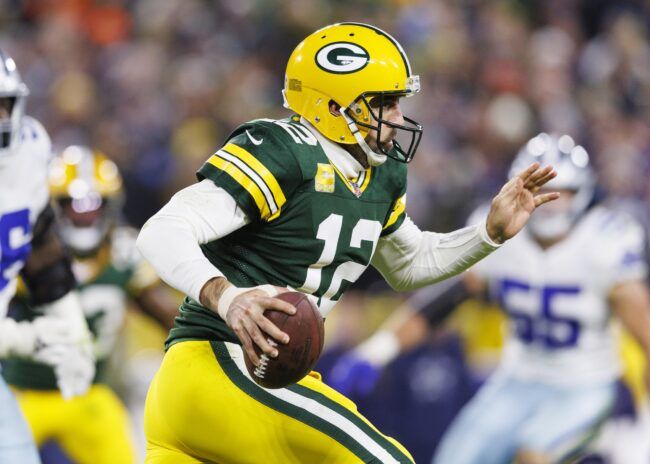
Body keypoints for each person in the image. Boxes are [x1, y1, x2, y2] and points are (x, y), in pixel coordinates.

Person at [136, 22, 558, 463]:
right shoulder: (283, 149)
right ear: (333, 107)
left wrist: (486, 235)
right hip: (218, 366)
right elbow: (161, 231)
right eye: (383, 103)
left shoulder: (382, 172)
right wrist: (227, 298)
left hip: (241, 388)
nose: (396, 116)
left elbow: (408, 264)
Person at [329, 133, 650, 464]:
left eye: (562, 192)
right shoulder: (499, 231)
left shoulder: (605, 242)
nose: (550, 203)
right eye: (538, 188)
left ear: (582, 193)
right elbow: (441, 305)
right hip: (517, 378)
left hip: (585, 384)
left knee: (534, 456)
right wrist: (376, 351)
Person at [2, 146, 179, 464]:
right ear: (52, 207)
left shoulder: (124, 253)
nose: (84, 214)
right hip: (24, 393)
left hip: (90, 394)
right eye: (73, 204)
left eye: (94, 204)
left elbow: (168, 317)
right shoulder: (31, 252)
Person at [0, 49, 94, 463]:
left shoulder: (29, 151)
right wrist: (29, 340)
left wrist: (70, 327)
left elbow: (38, 243)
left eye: (1, 106)